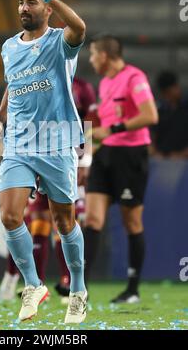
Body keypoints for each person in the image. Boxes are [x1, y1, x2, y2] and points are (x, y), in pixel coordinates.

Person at [0, 0, 87, 323]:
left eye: (31, 2)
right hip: (19, 144)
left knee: (64, 221)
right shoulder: (8, 47)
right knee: (10, 216)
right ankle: (32, 285)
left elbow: (80, 25)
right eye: (21, 3)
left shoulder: (61, 42)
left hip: (57, 143)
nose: (23, 8)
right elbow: (12, 86)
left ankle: (78, 290)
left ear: (45, 7)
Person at [0, 77, 96, 304]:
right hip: (30, 152)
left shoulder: (81, 86)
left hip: (64, 155)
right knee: (34, 218)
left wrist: (85, 159)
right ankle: (33, 282)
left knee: (65, 219)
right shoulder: (30, 75)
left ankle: (69, 283)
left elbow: (90, 123)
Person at [83, 33, 158, 303]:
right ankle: (80, 287)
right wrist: (88, 156)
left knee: (131, 222)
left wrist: (113, 129)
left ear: (104, 55)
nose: (91, 60)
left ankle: (132, 289)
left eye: (92, 54)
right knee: (91, 220)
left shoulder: (134, 78)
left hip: (131, 156)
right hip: (107, 156)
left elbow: (150, 115)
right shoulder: (104, 84)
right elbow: (100, 129)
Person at [151, 70, 188, 158]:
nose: (177, 90)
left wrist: (182, 155)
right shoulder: (160, 111)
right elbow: (153, 136)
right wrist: (156, 153)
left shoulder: (185, 108)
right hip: (162, 160)